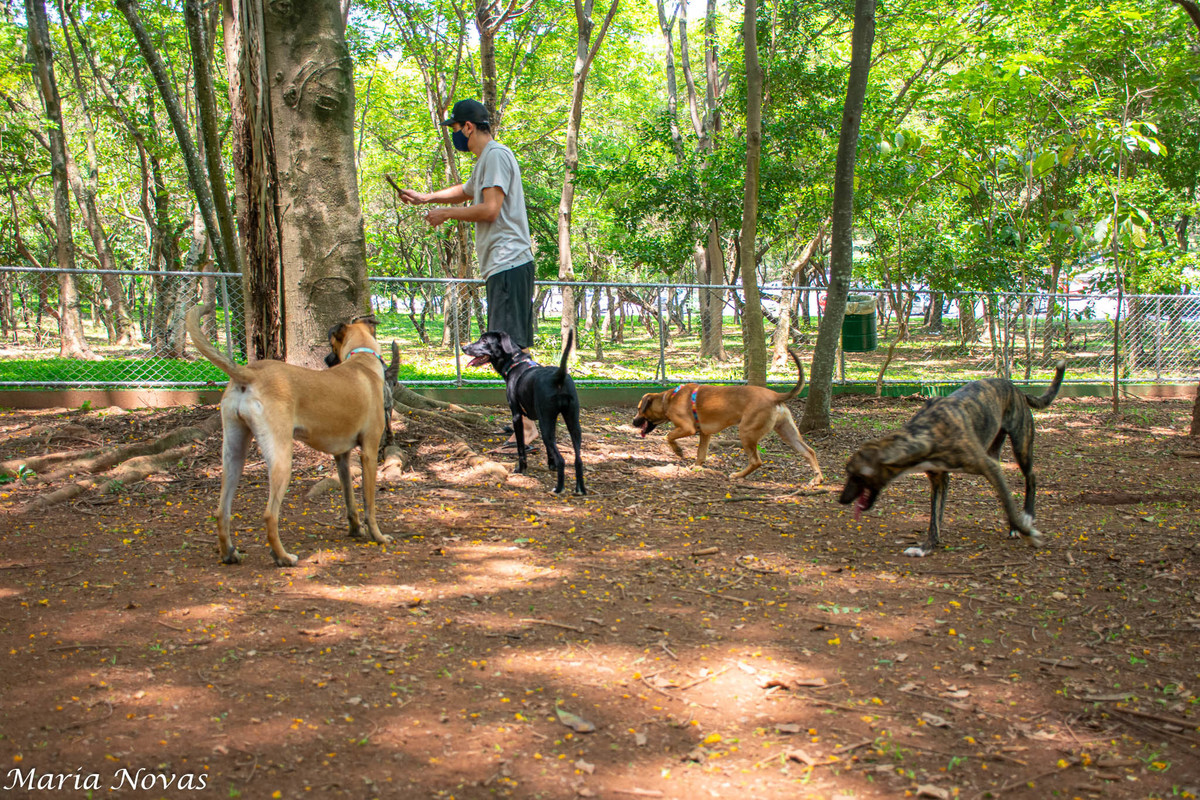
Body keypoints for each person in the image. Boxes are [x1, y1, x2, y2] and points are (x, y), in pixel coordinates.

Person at [399, 98, 538, 450]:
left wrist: (446, 214)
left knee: (509, 352)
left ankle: (529, 428)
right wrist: (426, 198)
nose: (456, 136)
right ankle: (524, 423)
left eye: (456, 129)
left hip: (508, 262)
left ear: (469, 127)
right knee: (509, 350)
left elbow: (490, 209)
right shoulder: (486, 161)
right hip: (503, 264)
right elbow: (466, 191)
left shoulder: (493, 154)